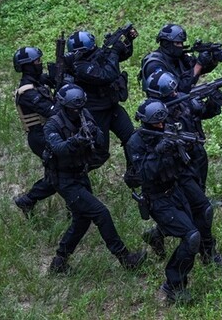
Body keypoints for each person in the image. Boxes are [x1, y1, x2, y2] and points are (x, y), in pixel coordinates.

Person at [44, 84, 146, 274]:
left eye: (80, 107)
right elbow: (59, 149)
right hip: (64, 179)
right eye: (74, 109)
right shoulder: (53, 124)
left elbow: (100, 141)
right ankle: (125, 258)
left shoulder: (84, 114)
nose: (78, 112)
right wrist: (76, 140)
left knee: (82, 220)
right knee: (101, 213)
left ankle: (59, 262)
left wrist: (94, 133)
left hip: (80, 173)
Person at [137, 71, 222, 266]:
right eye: (169, 94)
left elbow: (202, 112)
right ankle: (203, 251)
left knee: (202, 208)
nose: (175, 95)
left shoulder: (182, 100)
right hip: (176, 171)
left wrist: (213, 102)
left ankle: (206, 252)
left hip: (193, 158)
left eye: (175, 91)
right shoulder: (156, 118)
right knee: (197, 210)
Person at [125, 99, 201, 304]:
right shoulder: (135, 142)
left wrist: (183, 146)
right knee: (191, 237)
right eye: (156, 123)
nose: (160, 125)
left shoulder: (167, 130)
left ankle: (157, 234)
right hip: (156, 198)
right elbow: (144, 174)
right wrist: (158, 152)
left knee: (196, 224)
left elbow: (184, 163)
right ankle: (173, 284)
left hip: (175, 191)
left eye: (162, 122)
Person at [65, 29, 136, 150]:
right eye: (92, 47)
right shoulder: (80, 68)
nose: (95, 48)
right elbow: (107, 75)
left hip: (112, 106)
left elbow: (121, 55)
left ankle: (134, 162)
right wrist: (114, 51)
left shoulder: (95, 55)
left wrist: (128, 40)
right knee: (100, 150)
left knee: (132, 139)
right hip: (96, 113)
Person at [12, 46, 57, 215]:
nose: (40, 64)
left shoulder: (37, 81)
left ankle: (28, 200)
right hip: (40, 137)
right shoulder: (27, 92)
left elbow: (53, 80)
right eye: (37, 61)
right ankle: (28, 200)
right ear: (28, 66)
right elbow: (52, 111)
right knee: (60, 175)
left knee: (61, 173)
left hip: (47, 132)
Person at [139, 24, 222, 94]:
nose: (181, 46)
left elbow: (199, 70)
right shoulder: (154, 64)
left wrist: (214, 59)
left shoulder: (178, 56)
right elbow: (178, 90)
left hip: (181, 101)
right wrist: (198, 65)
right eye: (177, 43)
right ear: (166, 43)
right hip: (165, 105)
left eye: (181, 43)